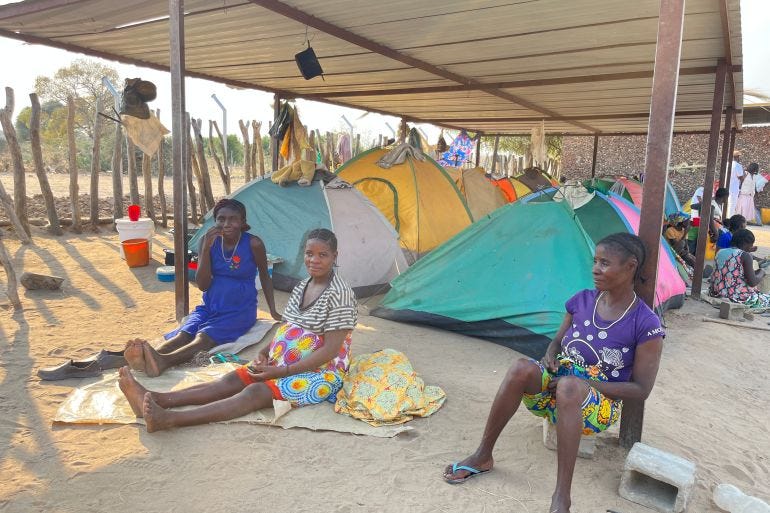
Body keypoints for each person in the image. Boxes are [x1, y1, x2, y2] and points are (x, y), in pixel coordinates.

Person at [442, 233, 664, 513]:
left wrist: (582, 382)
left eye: (605, 263)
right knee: (521, 367)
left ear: (631, 266)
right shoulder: (582, 301)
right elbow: (556, 342)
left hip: (597, 404)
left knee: (570, 387)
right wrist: (550, 356)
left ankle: (561, 498)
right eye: (595, 261)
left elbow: (641, 390)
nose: (596, 268)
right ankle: (483, 455)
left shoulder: (646, 323)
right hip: (556, 387)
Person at [117, 228, 358, 431]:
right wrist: (265, 352)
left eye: (322, 255)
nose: (314, 260)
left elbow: (330, 350)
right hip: (281, 362)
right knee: (234, 378)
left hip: (320, 373)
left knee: (255, 392)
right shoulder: (303, 286)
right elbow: (288, 328)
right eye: (309, 254)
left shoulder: (340, 294)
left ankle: (169, 419)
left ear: (334, 256)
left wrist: (282, 371)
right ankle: (157, 398)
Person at [124, 198, 281, 377]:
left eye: (233, 219)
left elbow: (264, 275)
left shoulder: (253, 244)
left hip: (239, 310)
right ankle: (147, 357)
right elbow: (203, 285)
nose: (226, 224)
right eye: (221, 219)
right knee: (183, 335)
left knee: (203, 338)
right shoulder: (208, 241)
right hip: (209, 306)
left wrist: (274, 311)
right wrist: (205, 249)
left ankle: (163, 362)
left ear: (243, 222)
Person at [709, 228, 770, 308]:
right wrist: (762, 272)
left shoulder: (720, 252)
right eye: (751, 244)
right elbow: (752, 282)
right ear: (746, 243)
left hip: (717, 293)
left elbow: (733, 272)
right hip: (737, 297)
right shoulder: (745, 256)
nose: (751, 247)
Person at [687, 187, 728, 255]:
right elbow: (710, 218)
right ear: (724, 197)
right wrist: (715, 232)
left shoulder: (717, 204)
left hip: (710, 229)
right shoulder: (712, 204)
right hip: (709, 230)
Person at [727, 150, 745, 217]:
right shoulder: (738, 165)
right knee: (732, 205)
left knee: (726, 204)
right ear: (737, 157)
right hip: (733, 188)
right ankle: (729, 220)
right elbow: (741, 177)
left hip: (727, 186)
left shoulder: (727, 164)